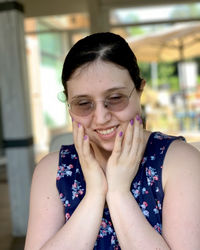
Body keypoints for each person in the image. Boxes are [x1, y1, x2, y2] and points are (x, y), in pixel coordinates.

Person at [25, 32, 200, 250]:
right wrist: (95, 194)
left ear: (140, 90)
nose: (100, 117)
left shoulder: (183, 163)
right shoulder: (51, 170)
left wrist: (118, 193)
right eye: (83, 103)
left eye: (115, 98)